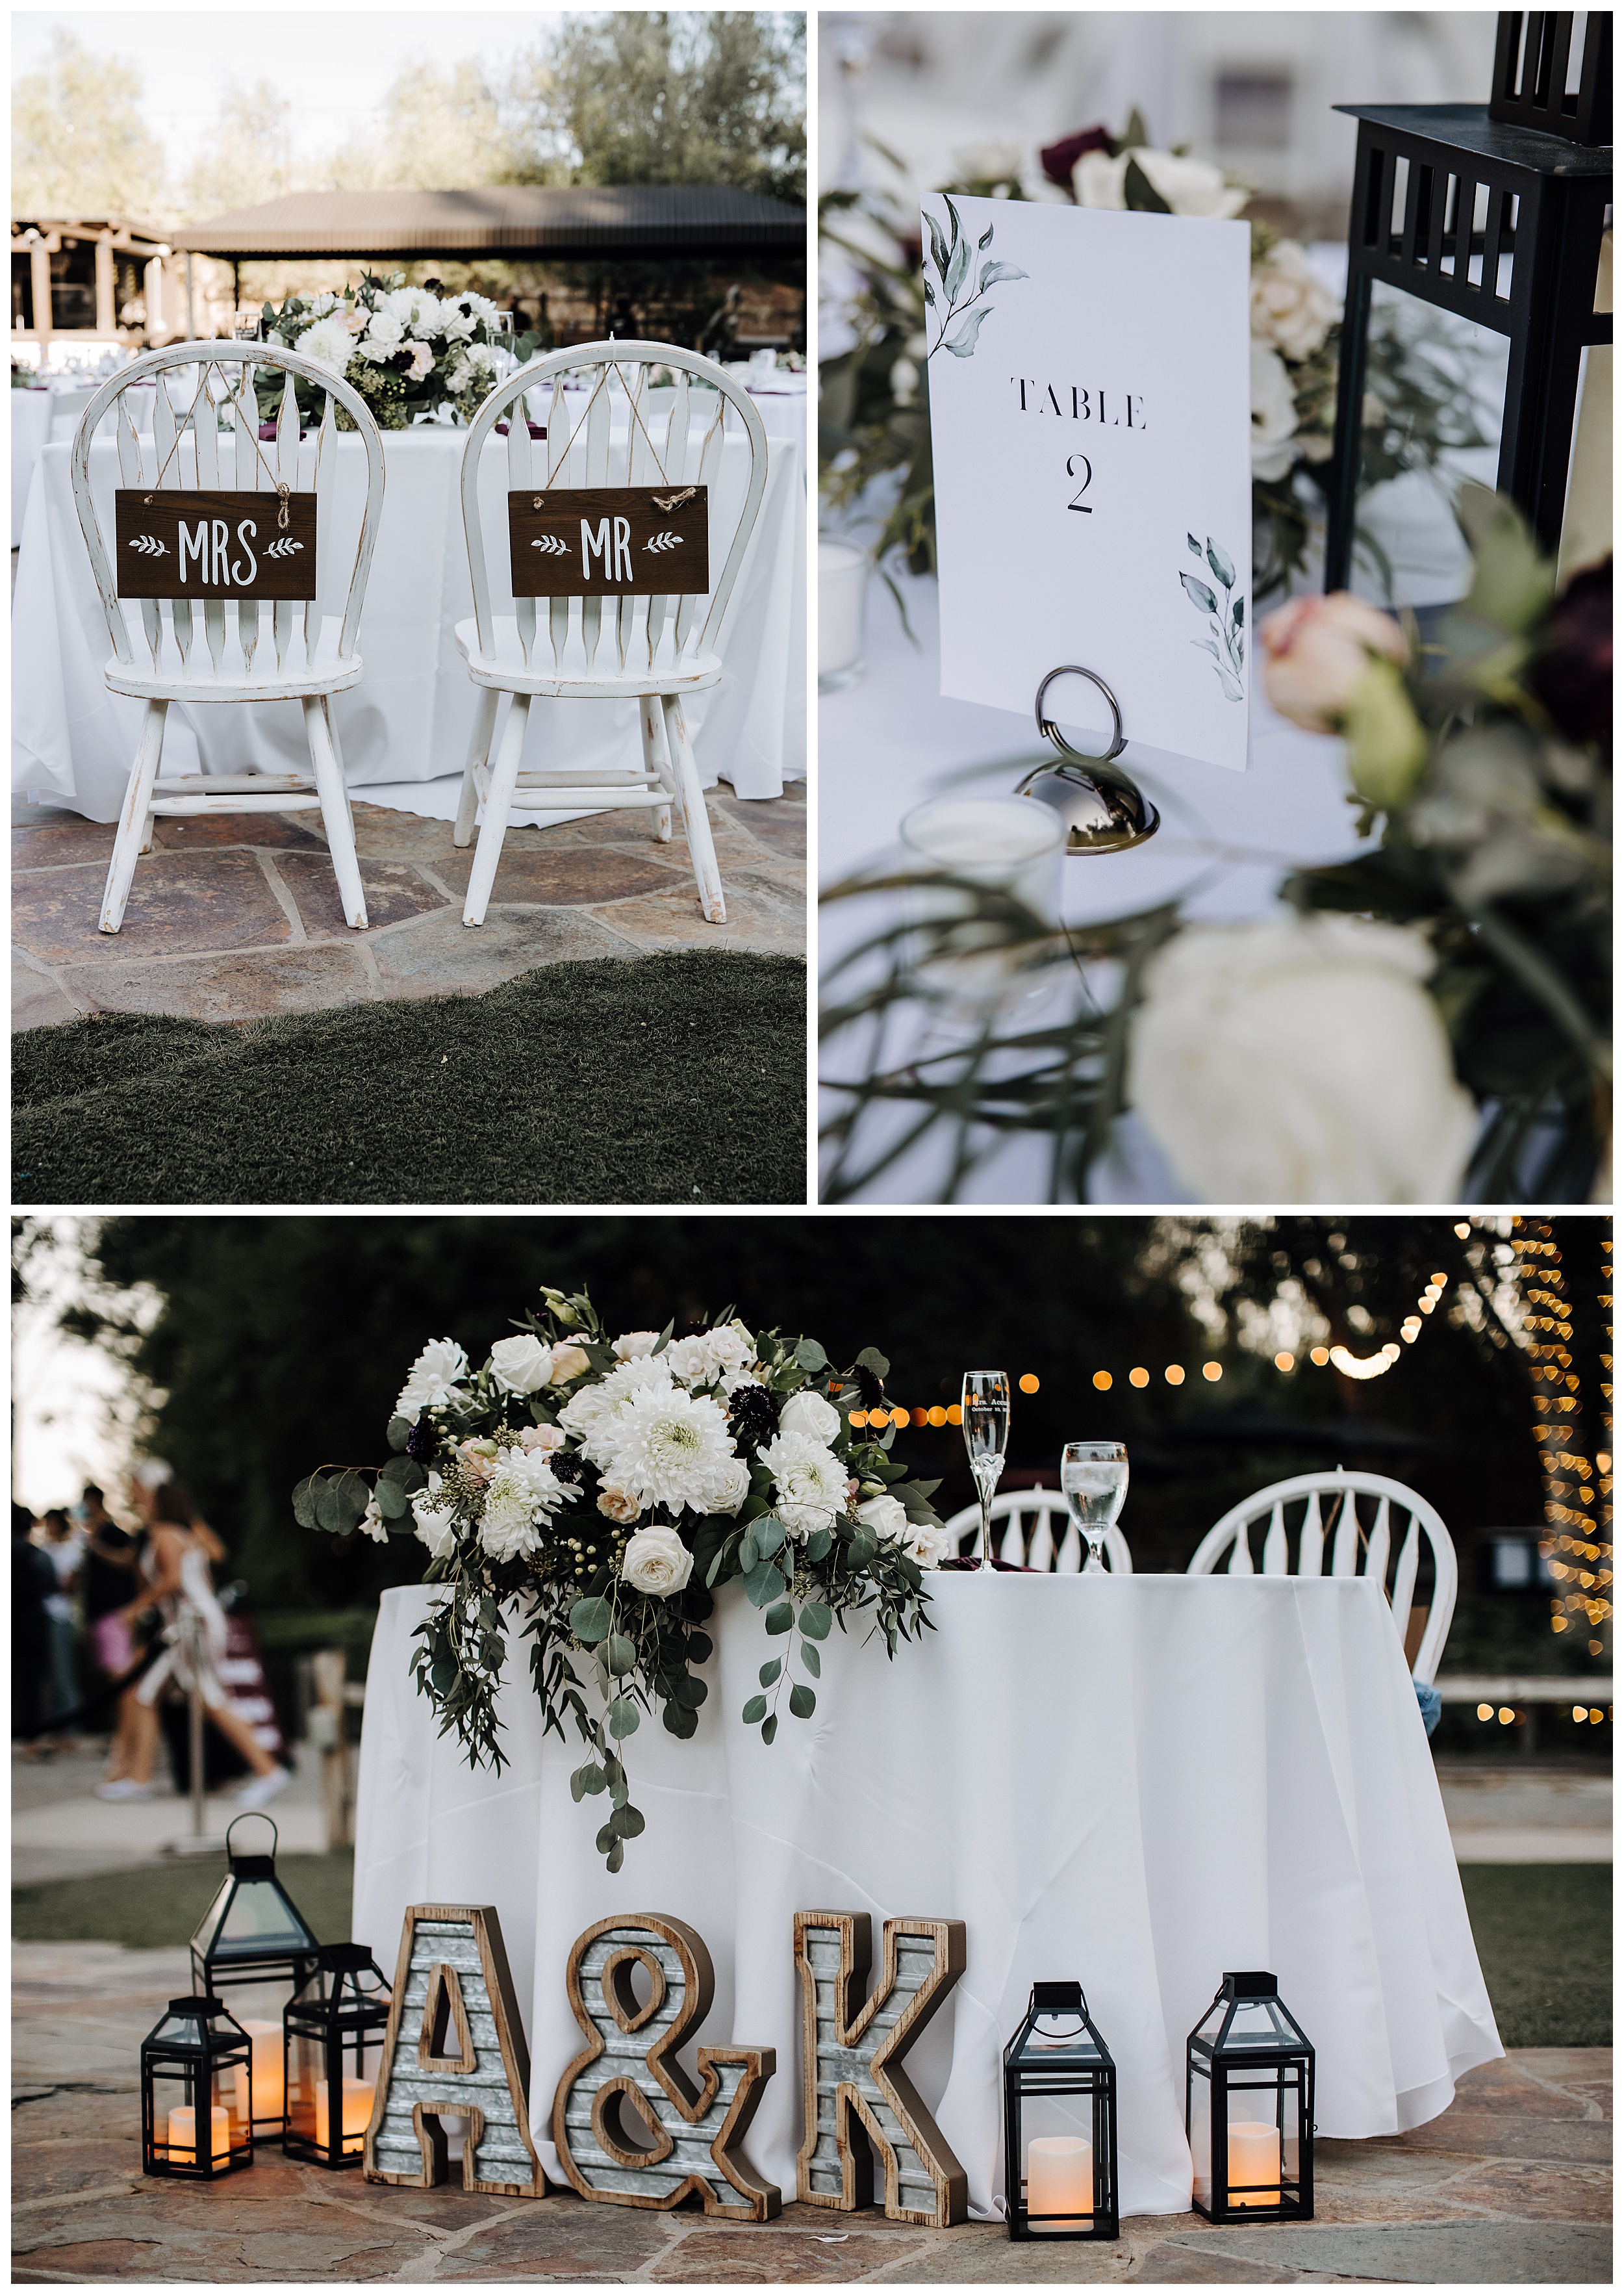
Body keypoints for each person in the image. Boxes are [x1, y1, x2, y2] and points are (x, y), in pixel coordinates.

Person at [96, 1480, 289, 1808]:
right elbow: (207, 1573)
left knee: (210, 1697)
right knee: (146, 1694)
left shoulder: (165, 1534)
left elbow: (171, 1580)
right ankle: (140, 1779)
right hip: (189, 1624)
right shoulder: (189, 1534)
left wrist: (135, 1609)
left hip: (191, 1626)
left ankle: (268, 1770)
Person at [32, 1508, 86, 1749]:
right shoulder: (45, 1549)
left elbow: (70, 1586)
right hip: (42, 1617)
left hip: (61, 1617)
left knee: (64, 1675)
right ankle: (56, 1727)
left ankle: (72, 1728)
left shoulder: (72, 1550)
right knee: (50, 1677)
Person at [11, 1504, 58, 1750]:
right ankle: (32, 1737)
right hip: (32, 1622)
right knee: (32, 1682)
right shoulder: (37, 1555)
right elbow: (51, 1585)